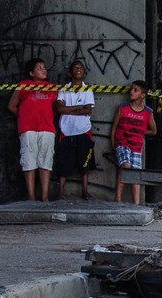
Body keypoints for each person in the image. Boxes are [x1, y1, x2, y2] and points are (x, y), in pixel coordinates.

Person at [6, 58, 56, 202]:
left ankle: (45, 196)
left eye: (44, 67)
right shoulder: (23, 86)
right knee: (29, 161)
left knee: (46, 161)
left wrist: (47, 118)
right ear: (31, 72)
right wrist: (24, 117)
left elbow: (56, 108)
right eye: (39, 68)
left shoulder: (52, 87)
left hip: (47, 128)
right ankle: (31, 196)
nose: (43, 70)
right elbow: (11, 106)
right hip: (28, 128)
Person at [111, 80, 157, 205]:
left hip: (136, 146)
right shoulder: (124, 108)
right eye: (131, 89)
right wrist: (113, 143)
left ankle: (136, 203)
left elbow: (153, 131)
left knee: (135, 174)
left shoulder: (147, 112)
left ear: (143, 95)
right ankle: (118, 198)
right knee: (125, 166)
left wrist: (139, 131)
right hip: (122, 143)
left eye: (135, 90)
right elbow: (114, 127)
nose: (131, 92)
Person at [54, 60, 96, 200]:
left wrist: (68, 110)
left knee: (85, 163)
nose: (78, 69)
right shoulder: (64, 89)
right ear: (70, 73)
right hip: (66, 131)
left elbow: (88, 110)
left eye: (81, 68)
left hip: (83, 130)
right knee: (63, 163)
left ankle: (84, 191)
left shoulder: (87, 90)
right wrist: (78, 108)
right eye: (75, 67)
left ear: (84, 73)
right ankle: (61, 192)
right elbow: (59, 109)